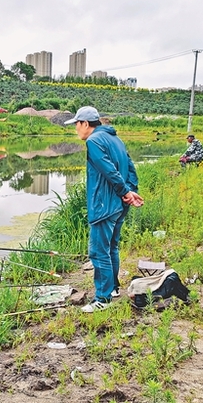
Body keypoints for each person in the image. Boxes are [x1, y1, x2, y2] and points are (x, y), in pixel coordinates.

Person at [66, 106, 144, 313]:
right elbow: (130, 167)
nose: (76, 129)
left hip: (105, 204)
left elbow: (108, 170)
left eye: (76, 125)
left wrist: (125, 192)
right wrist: (131, 191)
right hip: (119, 204)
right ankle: (114, 288)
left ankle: (102, 298)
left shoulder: (94, 141)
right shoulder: (116, 139)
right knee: (112, 247)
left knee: (99, 251)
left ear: (85, 123)